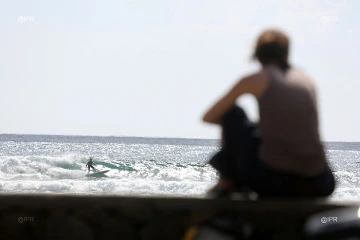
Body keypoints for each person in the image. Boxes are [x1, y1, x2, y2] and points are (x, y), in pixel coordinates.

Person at [203, 29, 335, 198]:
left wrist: (248, 129)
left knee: (233, 114)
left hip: (275, 182)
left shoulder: (257, 78)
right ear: (286, 54)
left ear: (257, 55)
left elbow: (209, 117)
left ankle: (227, 183)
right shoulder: (306, 80)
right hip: (320, 183)